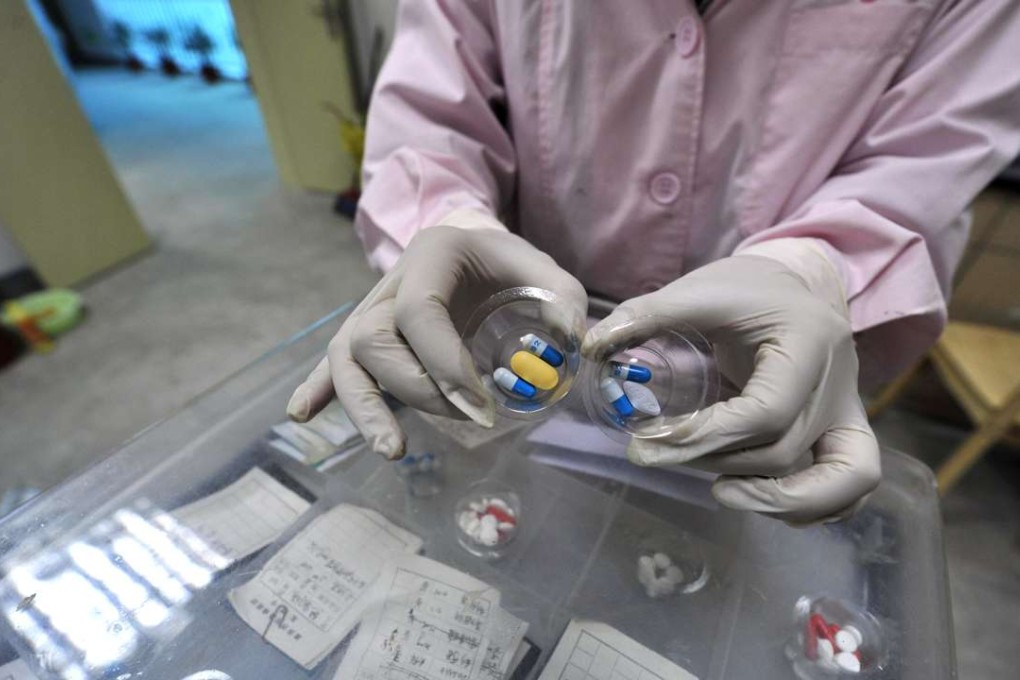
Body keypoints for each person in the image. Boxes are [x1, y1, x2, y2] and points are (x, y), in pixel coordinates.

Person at [287, 0, 1020, 524]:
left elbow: (926, 162)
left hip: (755, 380)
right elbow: (429, 110)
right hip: (526, 334)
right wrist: (441, 224)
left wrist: (815, 271)